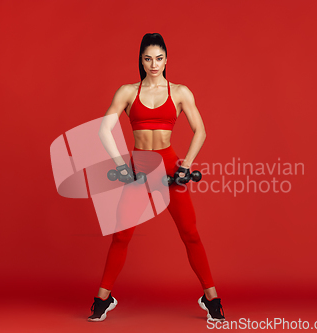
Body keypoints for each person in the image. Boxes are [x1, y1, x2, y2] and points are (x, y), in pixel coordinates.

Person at [88, 33, 225, 322]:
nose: (154, 64)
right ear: (141, 59)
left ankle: (211, 298)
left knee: (190, 233)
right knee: (121, 235)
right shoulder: (127, 92)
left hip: (170, 168)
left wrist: (186, 164)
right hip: (139, 168)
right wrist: (122, 166)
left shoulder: (180, 92)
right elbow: (103, 129)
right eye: (148, 58)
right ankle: (103, 299)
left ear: (166, 59)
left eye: (159, 58)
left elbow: (201, 130)